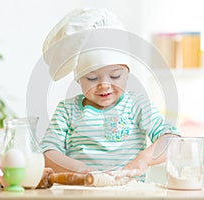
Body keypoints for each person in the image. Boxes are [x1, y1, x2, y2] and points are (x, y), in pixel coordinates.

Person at [39, 8, 180, 183]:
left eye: (115, 76)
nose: (105, 85)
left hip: (129, 193)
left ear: (127, 74)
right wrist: (79, 169)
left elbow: (171, 139)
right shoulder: (67, 110)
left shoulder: (137, 105)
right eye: (91, 78)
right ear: (78, 80)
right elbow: (48, 151)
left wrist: (143, 160)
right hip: (79, 192)